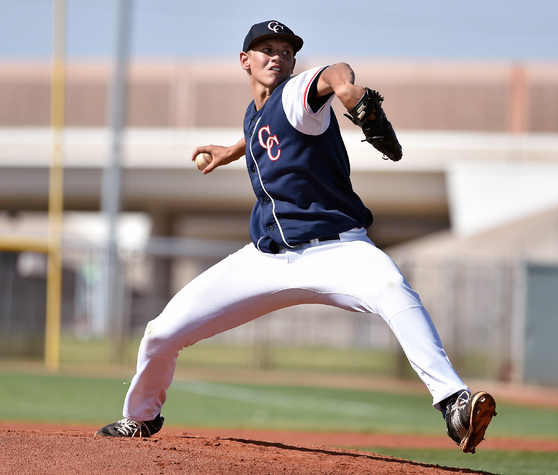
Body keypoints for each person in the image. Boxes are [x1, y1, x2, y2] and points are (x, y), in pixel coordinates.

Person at [95, 20, 497, 454]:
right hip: (265, 259)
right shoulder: (255, 115)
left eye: (285, 50)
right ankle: (140, 417)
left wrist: (346, 91)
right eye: (265, 49)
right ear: (245, 61)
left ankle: (454, 403)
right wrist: (231, 150)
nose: (276, 56)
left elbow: (334, 71)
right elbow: (265, 136)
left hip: (339, 249)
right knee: (161, 332)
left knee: (392, 289)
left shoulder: (297, 95)